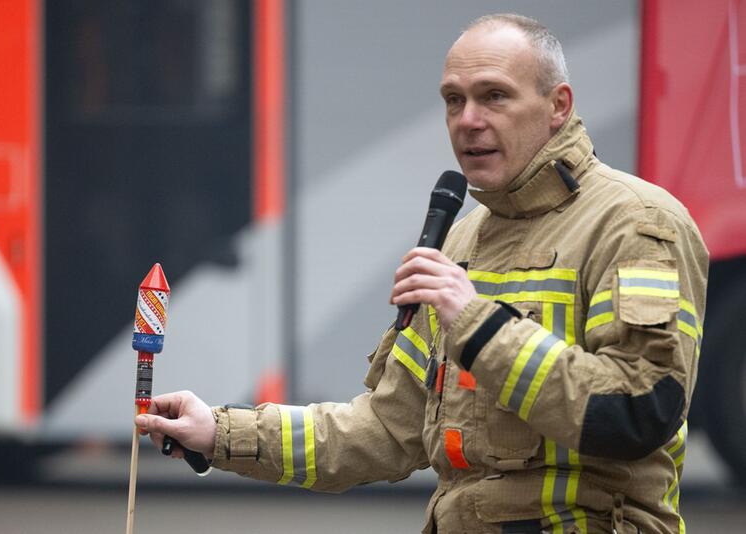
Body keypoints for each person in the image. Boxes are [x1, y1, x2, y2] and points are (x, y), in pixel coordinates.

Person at [135, 13, 708, 534]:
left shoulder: (637, 223)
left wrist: (477, 323)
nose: (469, 121)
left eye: (494, 97)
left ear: (559, 105)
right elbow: (388, 430)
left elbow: (639, 411)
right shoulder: (461, 241)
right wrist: (220, 433)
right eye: (453, 101)